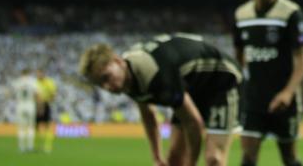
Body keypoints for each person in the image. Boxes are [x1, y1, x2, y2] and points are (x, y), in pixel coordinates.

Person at [79, 34, 242, 166]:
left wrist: (191, 163)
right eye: (100, 83)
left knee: (214, 159)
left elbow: (194, 123)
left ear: (117, 61)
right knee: (174, 159)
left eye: (106, 77)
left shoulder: (156, 74)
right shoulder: (125, 77)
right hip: (191, 86)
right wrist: (157, 157)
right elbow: (148, 115)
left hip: (220, 80)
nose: (107, 87)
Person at [233, 0, 303, 166]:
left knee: (290, 159)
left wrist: (288, 92)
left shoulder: (290, 13)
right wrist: (245, 81)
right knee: (247, 159)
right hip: (253, 100)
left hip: (284, 101)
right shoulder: (241, 15)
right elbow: (239, 52)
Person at [11, 68, 39, 152]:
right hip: (30, 104)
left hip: (20, 104)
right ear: (29, 73)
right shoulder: (32, 81)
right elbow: (37, 93)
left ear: (21, 73)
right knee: (31, 126)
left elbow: (12, 92)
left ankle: (21, 147)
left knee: (21, 127)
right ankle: (30, 146)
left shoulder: (18, 81)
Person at [35, 69, 58, 153]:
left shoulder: (49, 82)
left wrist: (48, 100)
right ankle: (39, 145)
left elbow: (54, 94)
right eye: (37, 74)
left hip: (46, 104)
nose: (38, 75)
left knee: (47, 126)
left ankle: (47, 146)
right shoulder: (35, 83)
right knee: (36, 126)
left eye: (40, 73)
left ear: (43, 74)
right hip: (36, 105)